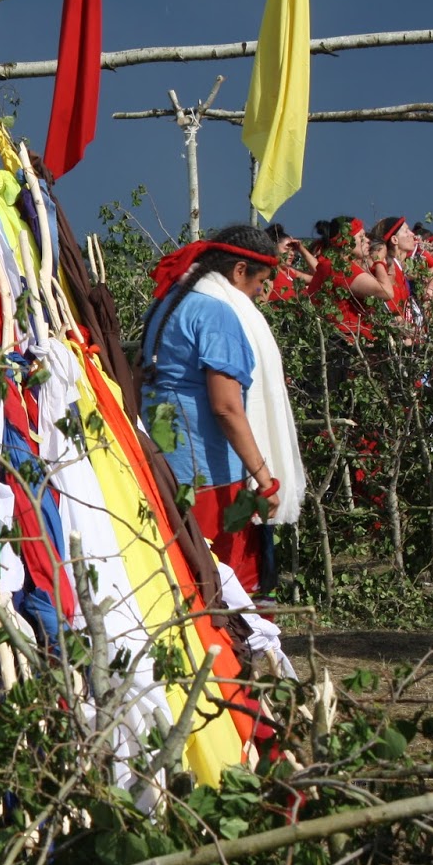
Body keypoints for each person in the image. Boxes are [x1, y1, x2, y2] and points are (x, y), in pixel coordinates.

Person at [141, 225, 303, 594]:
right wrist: (265, 477)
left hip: (165, 464)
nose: (262, 292)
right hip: (210, 477)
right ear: (239, 270)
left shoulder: (168, 301)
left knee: (176, 579)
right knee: (220, 584)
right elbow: (227, 406)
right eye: (260, 281)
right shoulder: (217, 314)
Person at [304, 217, 394, 341]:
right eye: (361, 237)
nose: (368, 241)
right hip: (347, 342)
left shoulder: (334, 264)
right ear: (346, 241)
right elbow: (386, 292)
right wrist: (379, 261)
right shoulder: (338, 267)